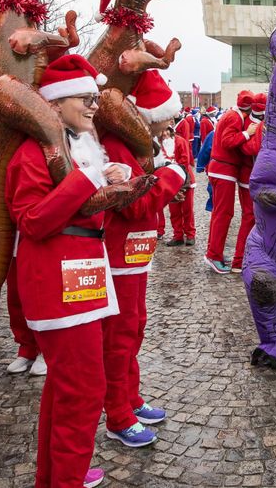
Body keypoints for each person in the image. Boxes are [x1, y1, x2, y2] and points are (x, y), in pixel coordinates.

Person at [5, 55, 120, 488]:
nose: (94, 106)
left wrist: (111, 180)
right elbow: (32, 220)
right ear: (54, 104)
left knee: (65, 387)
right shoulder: (32, 152)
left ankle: (56, 476)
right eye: (85, 98)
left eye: (95, 98)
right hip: (57, 282)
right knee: (84, 390)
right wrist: (88, 180)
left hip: (82, 276)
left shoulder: (74, 146)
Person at [100, 68, 187, 449]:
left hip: (133, 254)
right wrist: (173, 177)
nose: (170, 123)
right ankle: (117, 414)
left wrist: (165, 180)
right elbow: (133, 205)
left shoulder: (136, 145)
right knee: (119, 335)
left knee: (133, 327)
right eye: (167, 116)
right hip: (118, 254)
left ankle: (129, 398)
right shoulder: (118, 146)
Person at [204, 92, 256, 274]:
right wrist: (247, 133)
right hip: (224, 170)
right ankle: (213, 255)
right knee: (223, 214)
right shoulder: (235, 117)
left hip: (221, 169)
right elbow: (227, 141)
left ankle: (214, 253)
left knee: (220, 213)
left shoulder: (231, 114)